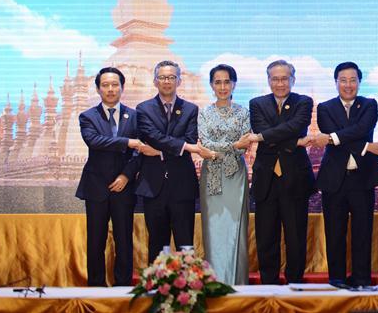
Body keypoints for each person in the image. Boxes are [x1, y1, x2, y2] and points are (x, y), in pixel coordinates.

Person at [314, 62, 378, 288]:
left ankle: (362, 280)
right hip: (334, 180)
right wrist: (367, 146)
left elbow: (360, 129)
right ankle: (336, 280)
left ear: (359, 82)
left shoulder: (368, 104)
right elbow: (356, 135)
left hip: (362, 178)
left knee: (362, 232)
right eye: (343, 80)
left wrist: (332, 138)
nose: (348, 85)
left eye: (353, 80)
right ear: (336, 82)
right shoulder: (325, 107)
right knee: (334, 233)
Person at [76, 67, 154, 286]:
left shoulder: (136, 116)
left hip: (124, 187)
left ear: (122, 87)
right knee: (95, 242)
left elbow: (141, 151)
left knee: (124, 241)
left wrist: (126, 176)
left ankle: (122, 289)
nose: (110, 89)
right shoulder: (87, 116)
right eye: (105, 85)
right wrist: (127, 142)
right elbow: (95, 141)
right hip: (96, 188)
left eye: (114, 85)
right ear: (98, 89)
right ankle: (96, 289)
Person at [247, 59, 316, 284]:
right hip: (266, 179)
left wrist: (263, 138)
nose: (280, 83)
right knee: (267, 237)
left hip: (295, 178)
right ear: (268, 81)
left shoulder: (304, 102)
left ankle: (295, 283)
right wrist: (294, 142)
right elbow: (262, 128)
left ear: (293, 80)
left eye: (284, 78)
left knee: (295, 237)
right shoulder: (256, 103)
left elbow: (296, 126)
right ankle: (269, 284)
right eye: (275, 79)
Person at [136, 60, 202, 263]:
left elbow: (190, 140)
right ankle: (156, 289)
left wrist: (159, 151)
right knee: (157, 243)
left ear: (179, 81)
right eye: (163, 77)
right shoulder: (143, 109)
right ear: (155, 81)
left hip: (182, 186)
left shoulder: (190, 109)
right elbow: (151, 135)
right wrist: (178, 147)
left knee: (185, 245)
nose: (167, 81)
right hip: (153, 186)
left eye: (172, 77)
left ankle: (188, 291)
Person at [196, 64, 251, 285]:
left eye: (227, 81)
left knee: (236, 230)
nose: (222, 86)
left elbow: (244, 145)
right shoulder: (204, 113)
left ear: (234, 84)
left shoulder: (244, 112)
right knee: (214, 231)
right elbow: (205, 144)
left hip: (235, 176)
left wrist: (223, 148)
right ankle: (215, 285)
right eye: (217, 82)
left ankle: (238, 285)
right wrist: (233, 144)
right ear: (211, 85)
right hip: (211, 177)